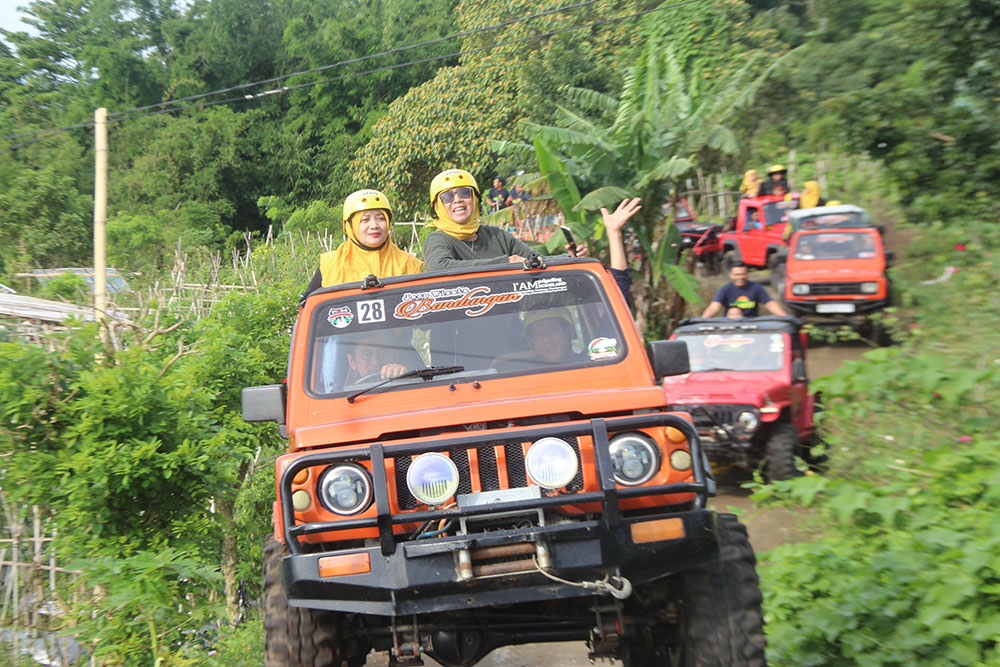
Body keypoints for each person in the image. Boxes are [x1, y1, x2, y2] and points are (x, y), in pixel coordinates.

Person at [422, 169, 587, 270]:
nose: (457, 199)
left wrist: (569, 258)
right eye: (448, 196)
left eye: (465, 193)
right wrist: (505, 262)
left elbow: (532, 259)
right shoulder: (438, 240)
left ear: (475, 199)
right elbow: (440, 266)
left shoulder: (496, 235)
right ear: (438, 206)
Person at [302, 189, 422, 297]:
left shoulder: (409, 264)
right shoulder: (331, 264)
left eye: (380, 218)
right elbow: (308, 308)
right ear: (349, 225)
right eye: (365, 220)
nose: (374, 226)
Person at [701, 262, 787, 318]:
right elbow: (714, 307)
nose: (740, 277)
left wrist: (785, 318)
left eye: (743, 274)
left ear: (747, 274)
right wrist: (702, 320)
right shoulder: (725, 289)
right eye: (737, 275)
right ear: (731, 275)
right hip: (729, 325)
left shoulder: (756, 288)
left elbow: (770, 305)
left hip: (751, 324)